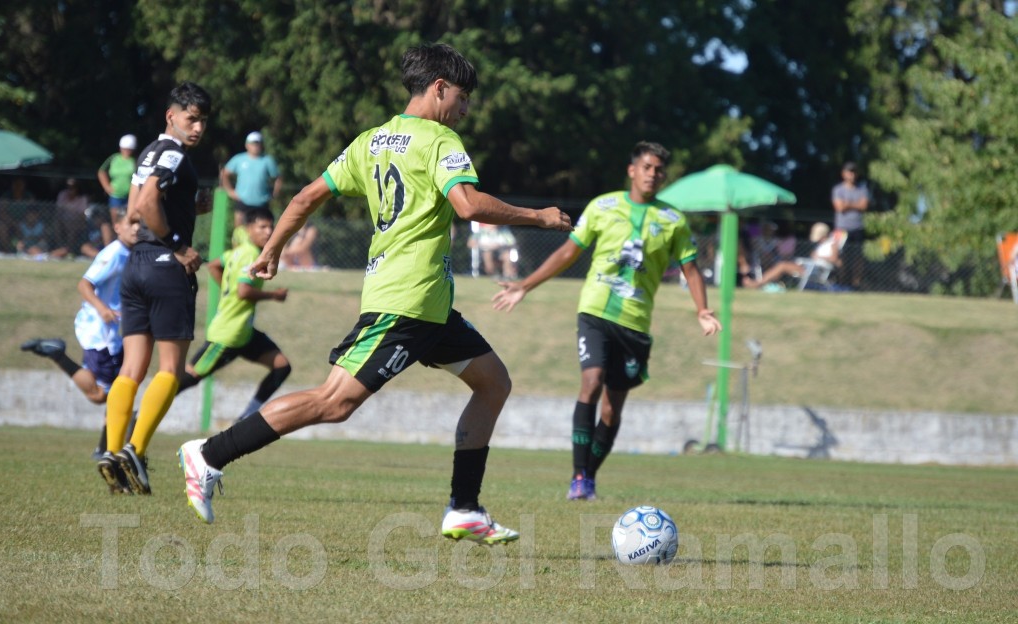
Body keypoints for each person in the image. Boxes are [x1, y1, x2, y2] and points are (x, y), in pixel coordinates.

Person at [177, 43, 572, 542]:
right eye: (464, 97)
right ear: (439, 88)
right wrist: (538, 216)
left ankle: (464, 508)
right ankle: (209, 454)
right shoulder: (439, 140)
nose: (466, 109)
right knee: (335, 402)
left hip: (430, 308)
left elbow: (306, 197)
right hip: (404, 304)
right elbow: (467, 205)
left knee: (493, 382)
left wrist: (274, 248)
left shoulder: (372, 141)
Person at [492, 141, 722, 501]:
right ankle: (578, 476)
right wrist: (525, 285)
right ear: (633, 170)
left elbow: (690, 270)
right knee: (592, 382)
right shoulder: (603, 207)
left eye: (659, 170)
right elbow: (569, 252)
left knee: (612, 410)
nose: (652, 174)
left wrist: (702, 310)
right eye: (646, 167)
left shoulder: (673, 220)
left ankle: (589, 478)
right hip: (595, 311)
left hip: (635, 323)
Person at [98, 81, 212, 496]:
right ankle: (135, 449)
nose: (198, 128)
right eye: (191, 118)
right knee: (171, 369)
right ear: (172, 115)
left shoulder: (146, 152)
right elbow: (146, 204)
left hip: (136, 268)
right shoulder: (175, 154)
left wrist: (186, 205)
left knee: (132, 369)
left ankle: (112, 452)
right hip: (166, 269)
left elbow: (130, 215)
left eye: (203, 121)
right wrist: (180, 246)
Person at [20, 211, 141, 483]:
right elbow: (84, 284)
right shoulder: (115, 253)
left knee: (113, 394)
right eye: (131, 224)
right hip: (102, 334)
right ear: (118, 226)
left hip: (105, 333)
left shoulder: (129, 251)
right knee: (107, 396)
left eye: (140, 225)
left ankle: (103, 449)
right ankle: (58, 355)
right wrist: (103, 309)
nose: (136, 229)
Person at [176, 207, 292, 421]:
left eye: (270, 226)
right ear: (249, 229)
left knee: (281, 366)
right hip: (227, 334)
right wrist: (274, 295)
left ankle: (246, 418)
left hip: (244, 333)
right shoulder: (250, 253)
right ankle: (144, 411)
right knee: (190, 377)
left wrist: (225, 290)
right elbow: (243, 291)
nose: (268, 231)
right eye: (262, 227)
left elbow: (213, 265)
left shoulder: (236, 252)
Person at [743, 222, 842, 290]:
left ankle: (757, 283)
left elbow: (834, 259)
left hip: (815, 271)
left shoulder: (832, 244)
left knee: (782, 265)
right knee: (780, 265)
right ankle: (765, 284)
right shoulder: (821, 245)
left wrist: (818, 257)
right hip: (810, 267)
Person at [221, 131, 282, 230]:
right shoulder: (239, 159)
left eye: (258, 143)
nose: (255, 146)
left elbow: (278, 178)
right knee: (239, 231)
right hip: (243, 201)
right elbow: (224, 174)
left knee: (262, 231)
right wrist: (230, 191)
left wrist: (274, 194)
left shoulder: (267, 160)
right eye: (253, 143)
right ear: (247, 145)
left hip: (261, 203)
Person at [831, 161, 869, 288]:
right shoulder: (838, 190)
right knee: (840, 256)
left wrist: (848, 204)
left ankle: (856, 284)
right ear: (843, 174)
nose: (851, 174)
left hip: (857, 228)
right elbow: (839, 207)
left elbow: (864, 206)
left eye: (853, 172)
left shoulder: (862, 190)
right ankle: (841, 282)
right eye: (849, 171)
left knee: (858, 257)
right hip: (841, 229)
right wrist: (855, 205)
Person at [98, 134, 138, 220]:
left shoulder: (135, 161)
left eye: (129, 149)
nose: (126, 151)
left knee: (128, 219)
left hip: (130, 196)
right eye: (125, 149)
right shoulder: (114, 158)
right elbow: (101, 171)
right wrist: (107, 187)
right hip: (115, 195)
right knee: (116, 221)